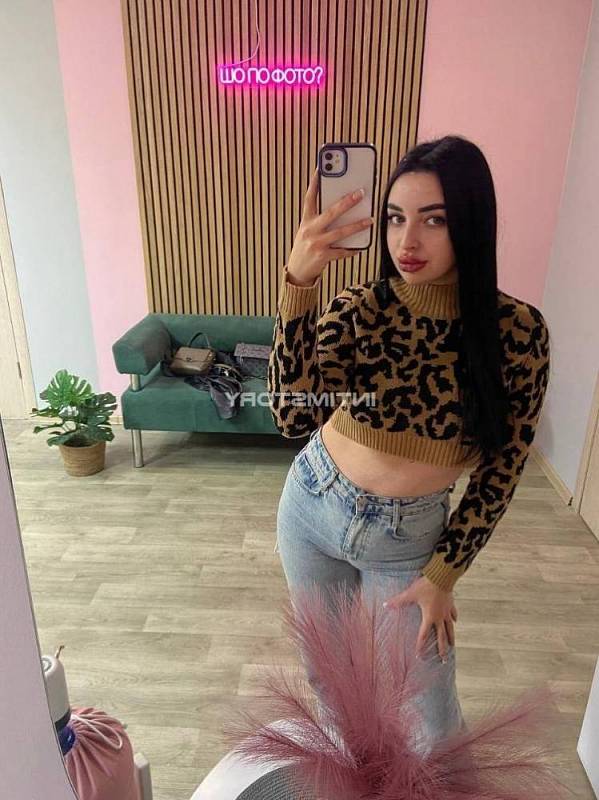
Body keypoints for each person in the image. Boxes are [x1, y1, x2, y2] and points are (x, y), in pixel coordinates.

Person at [267, 135, 551, 755]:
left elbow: (503, 469)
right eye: (395, 218)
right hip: (312, 503)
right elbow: (291, 416)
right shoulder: (359, 309)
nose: (407, 242)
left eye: (434, 220)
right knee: (332, 682)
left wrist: (445, 573)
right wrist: (298, 286)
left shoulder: (517, 333)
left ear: (471, 223)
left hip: (408, 537)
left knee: (431, 718)